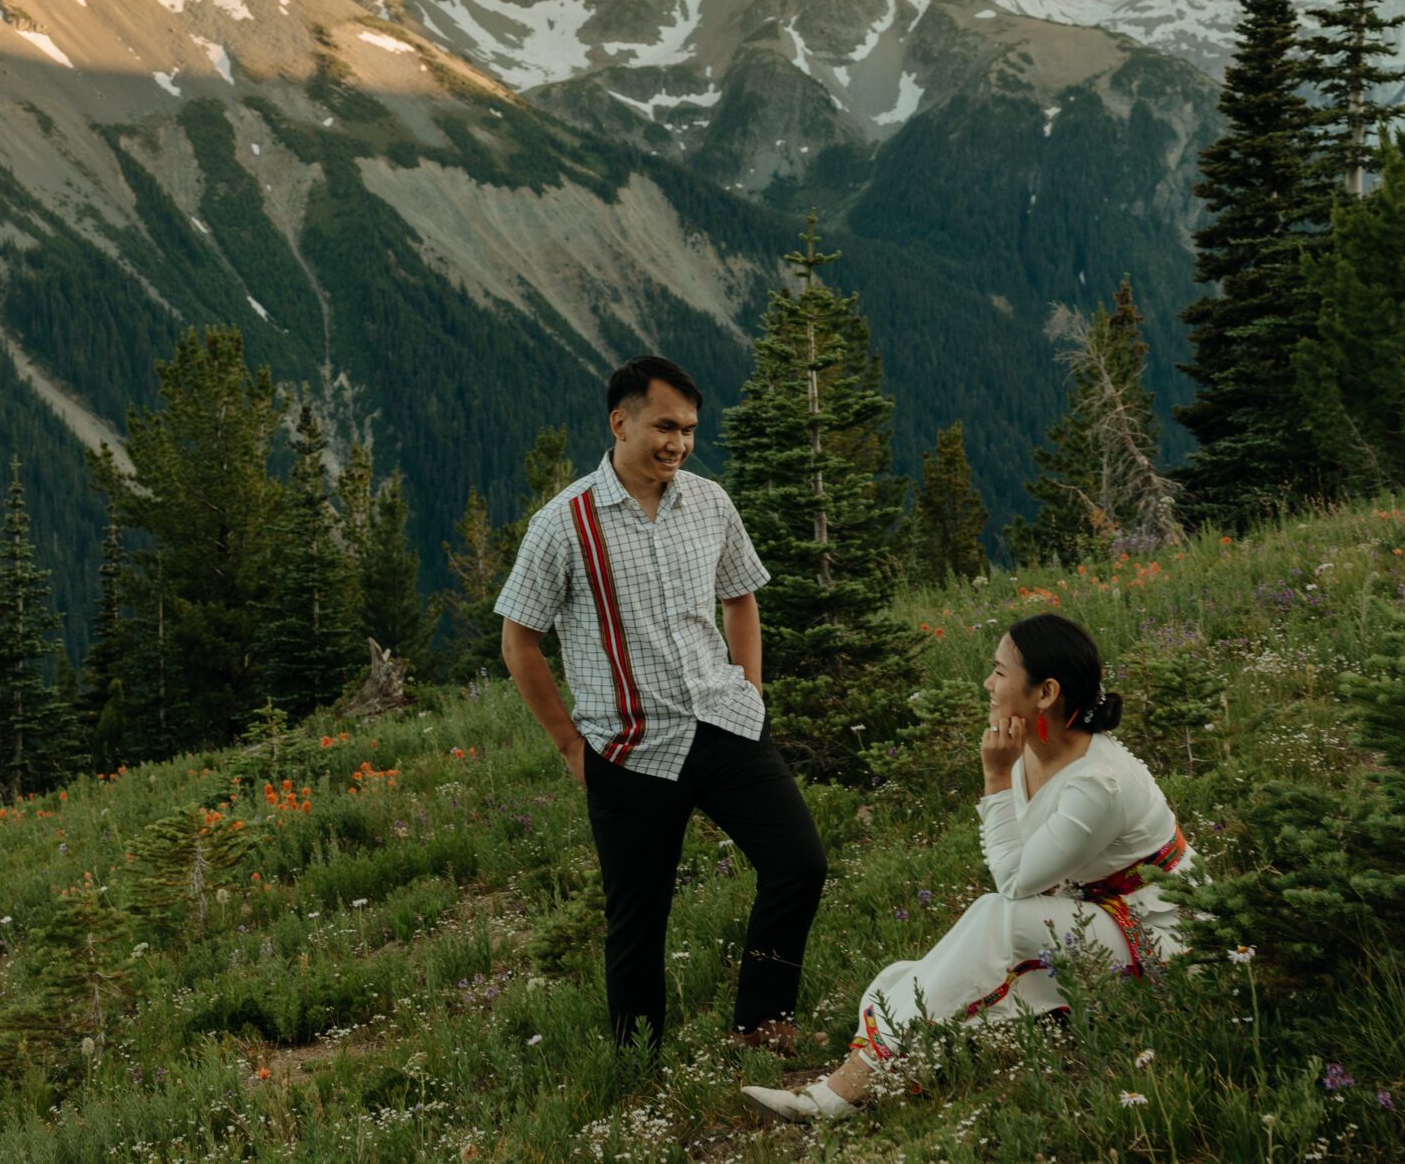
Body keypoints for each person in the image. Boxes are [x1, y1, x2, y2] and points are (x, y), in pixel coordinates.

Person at [495, 354, 828, 1058]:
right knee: (638, 920)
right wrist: (568, 747)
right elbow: (518, 639)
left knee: (798, 861)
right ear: (621, 423)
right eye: (664, 426)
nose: (678, 442)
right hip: (627, 747)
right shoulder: (564, 523)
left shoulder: (710, 501)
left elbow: (742, 596)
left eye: (689, 429)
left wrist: (751, 692)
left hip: (723, 723)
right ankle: (638, 1062)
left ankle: (761, 1020)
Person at [743, 613, 1192, 1122]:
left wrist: (995, 776)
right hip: (1093, 916)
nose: (988, 683)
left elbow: (1015, 882)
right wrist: (1009, 771)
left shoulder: (1096, 783)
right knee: (905, 978)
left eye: (1000, 672)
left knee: (995, 915)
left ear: (1045, 693)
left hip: (1157, 937)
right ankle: (878, 1056)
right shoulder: (1036, 749)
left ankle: (844, 1091)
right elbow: (1023, 868)